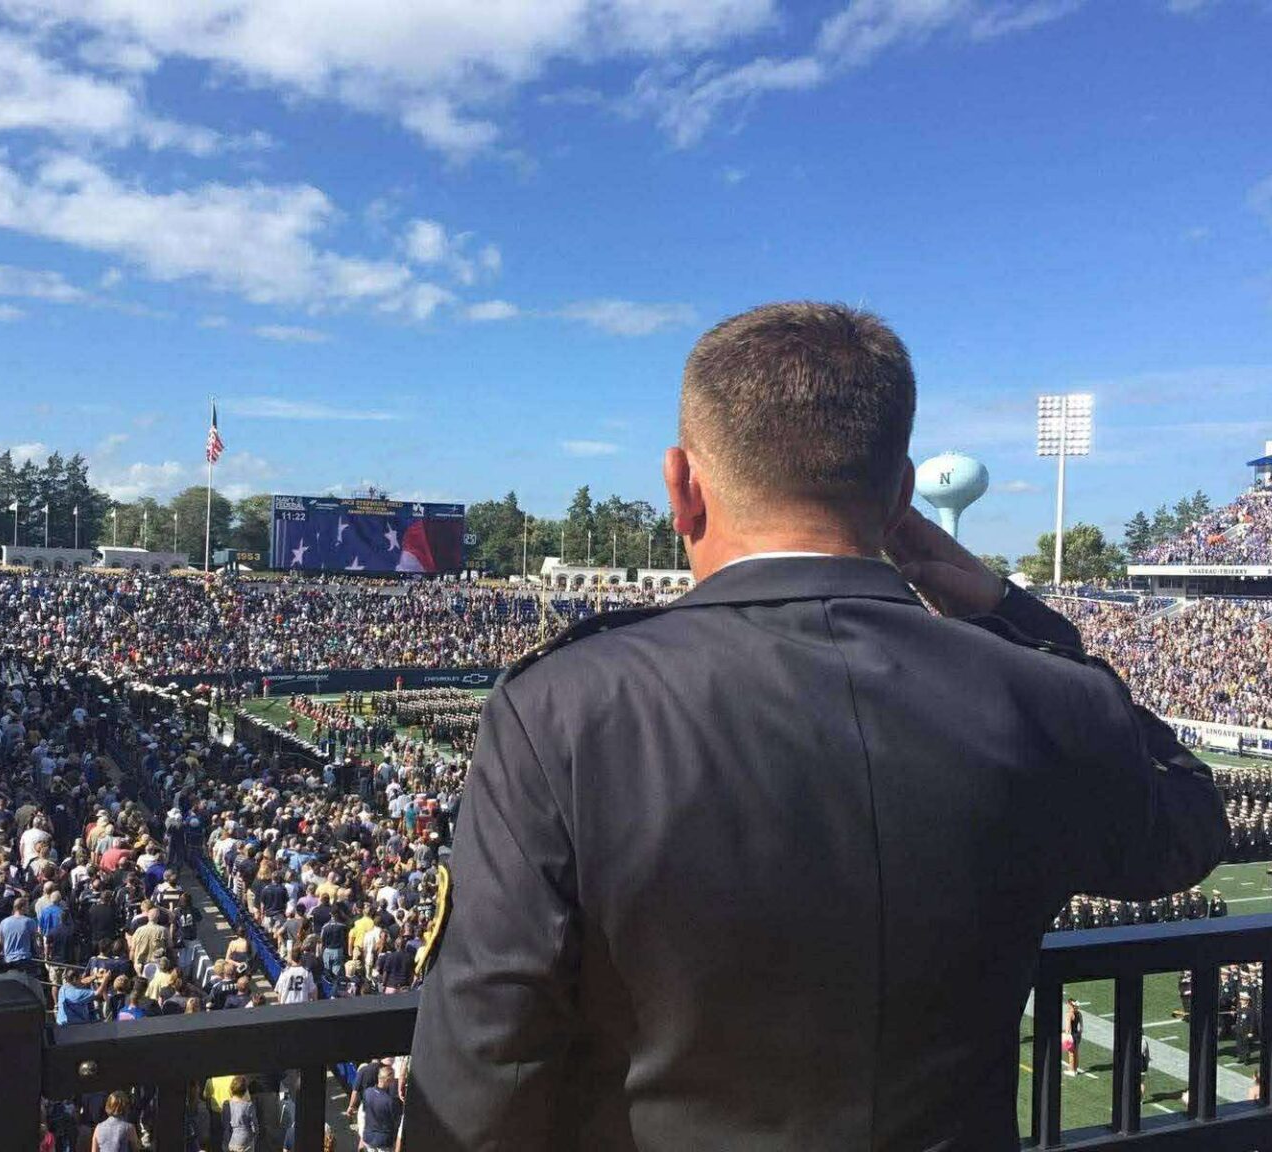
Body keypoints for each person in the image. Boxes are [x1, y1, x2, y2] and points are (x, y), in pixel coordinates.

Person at [404, 302, 1228, 1150]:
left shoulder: (561, 706)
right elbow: (1191, 823)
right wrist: (1018, 616)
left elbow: (485, 1067)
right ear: (902, 495)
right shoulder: (1042, 695)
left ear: (682, 488)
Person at [221, 1075, 259, 1152]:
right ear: (245, 1090)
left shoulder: (226, 1105)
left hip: (229, 1140)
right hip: (245, 1141)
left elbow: (224, 1123)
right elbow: (255, 1128)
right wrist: (254, 1138)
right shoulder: (248, 1106)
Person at [1066, 999, 1084, 1075]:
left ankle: (1071, 1071)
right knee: (1076, 1053)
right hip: (1077, 1035)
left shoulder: (1069, 1014)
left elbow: (1068, 1027)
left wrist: (1067, 1035)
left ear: (1070, 1005)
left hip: (1071, 1035)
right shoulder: (1079, 1014)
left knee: (1071, 1054)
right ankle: (1075, 1069)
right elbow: (1081, 1027)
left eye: (1068, 1004)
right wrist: (1079, 1034)